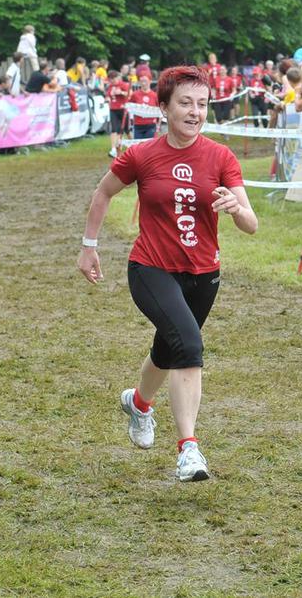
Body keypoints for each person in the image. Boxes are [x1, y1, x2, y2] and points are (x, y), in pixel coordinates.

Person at [77, 66, 257, 482]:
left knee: (170, 346)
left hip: (204, 273)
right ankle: (188, 449)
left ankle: (139, 403)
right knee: (189, 345)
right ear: (163, 107)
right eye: (185, 103)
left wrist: (237, 208)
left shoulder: (221, 157)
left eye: (202, 104)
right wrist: (89, 246)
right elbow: (103, 192)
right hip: (151, 268)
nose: (195, 112)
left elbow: (251, 224)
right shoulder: (141, 155)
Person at [107, 70, 130, 157]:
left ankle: (133, 145)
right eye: (110, 79)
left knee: (127, 130)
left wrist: (121, 92)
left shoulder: (123, 84)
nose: (112, 80)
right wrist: (107, 99)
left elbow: (129, 94)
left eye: (114, 78)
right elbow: (108, 95)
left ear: (117, 77)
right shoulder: (110, 86)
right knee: (114, 129)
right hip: (113, 109)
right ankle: (113, 149)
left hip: (123, 109)